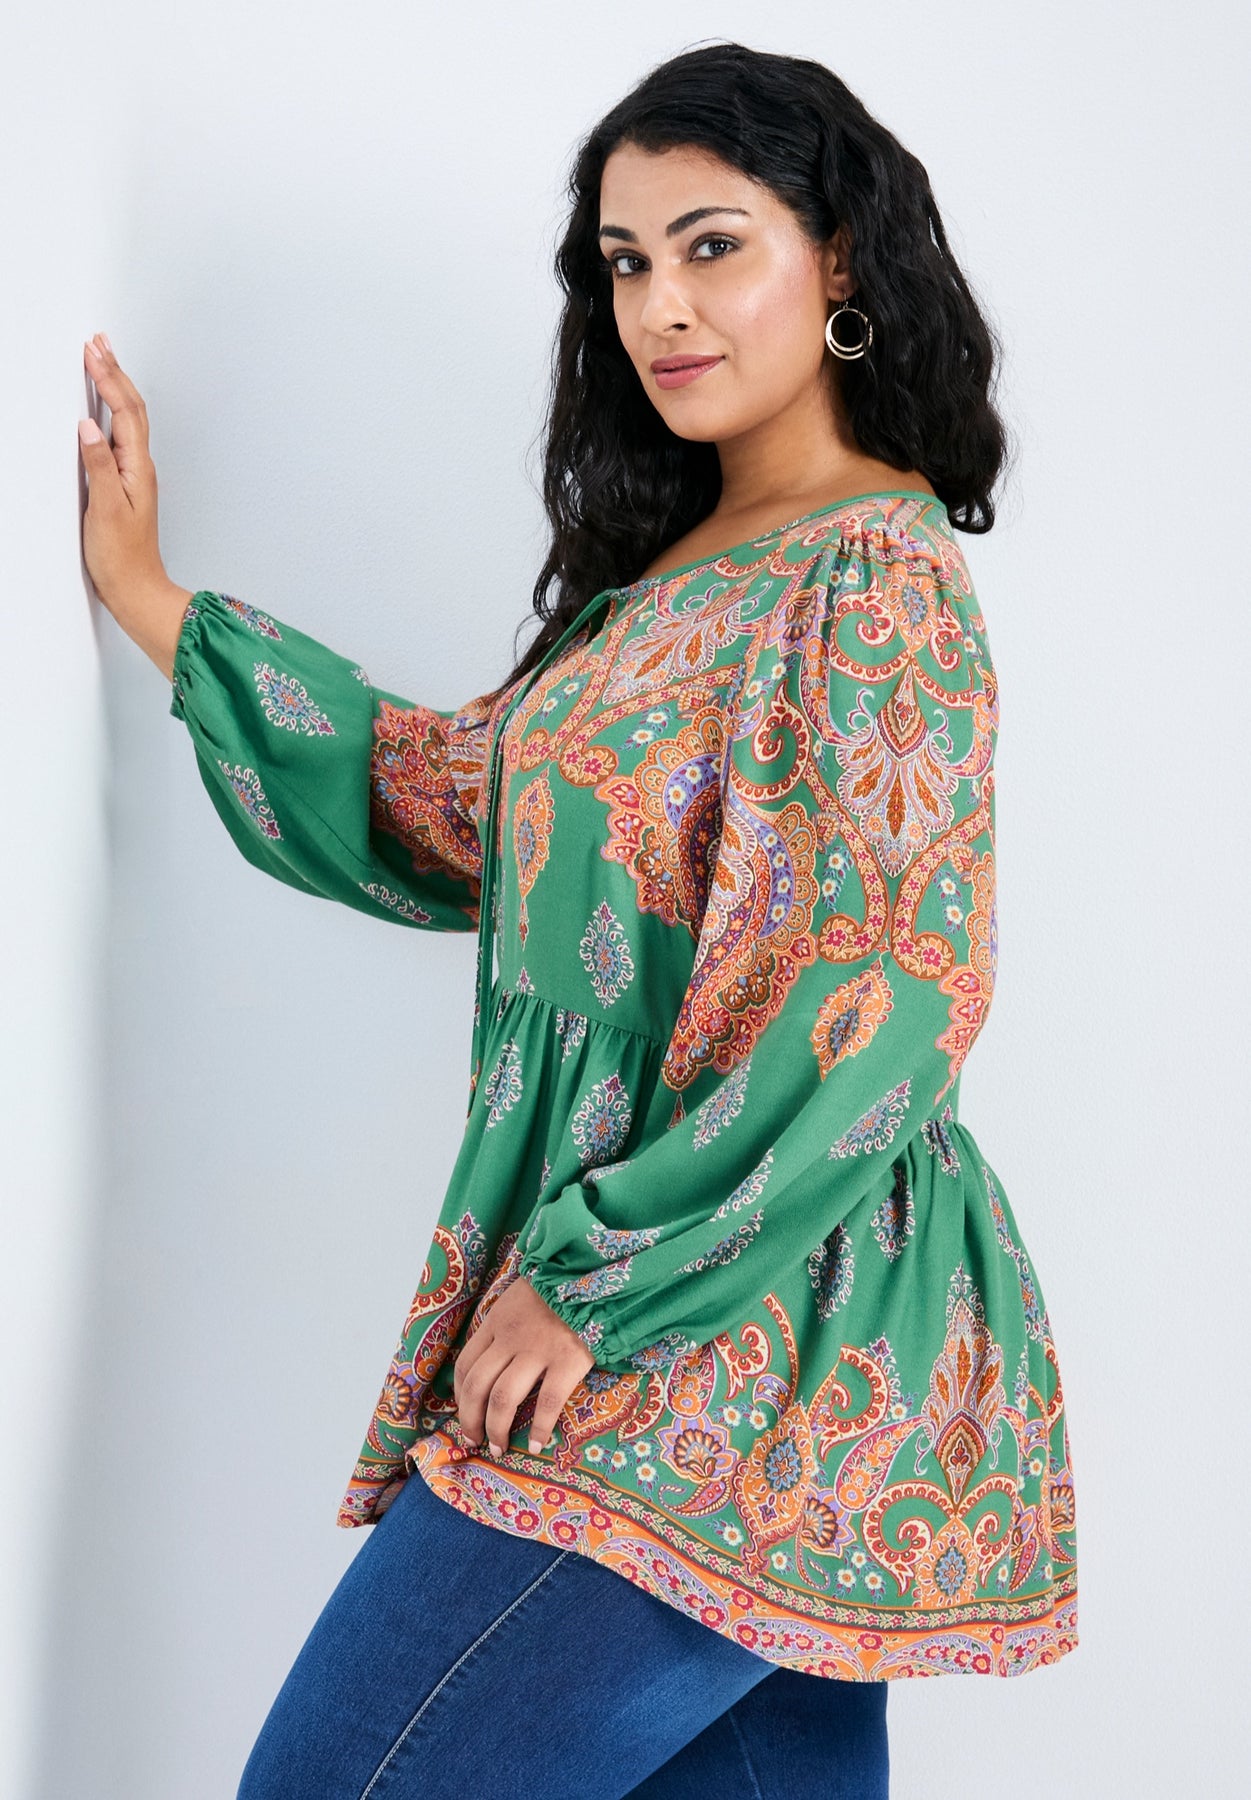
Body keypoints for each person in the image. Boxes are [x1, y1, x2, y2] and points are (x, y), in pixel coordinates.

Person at [77, 40, 1078, 1800]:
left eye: (713, 246)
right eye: (625, 262)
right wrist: (155, 603)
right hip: (664, 1303)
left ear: (840, 257)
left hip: (738, 1314)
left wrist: (597, 1277)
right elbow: (455, 809)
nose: (660, 307)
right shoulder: (664, 584)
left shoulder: (873, 573)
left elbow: (890, 994)